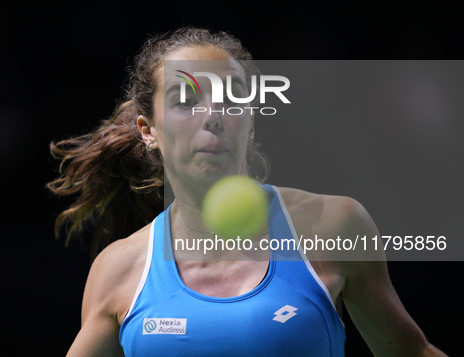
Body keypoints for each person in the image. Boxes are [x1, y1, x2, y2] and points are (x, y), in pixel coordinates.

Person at [47, 27, 447, 356]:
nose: (213, 116)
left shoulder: (333, 226)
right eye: (185, 100)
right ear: (148, 130)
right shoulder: (120, 269)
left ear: (250, 121)